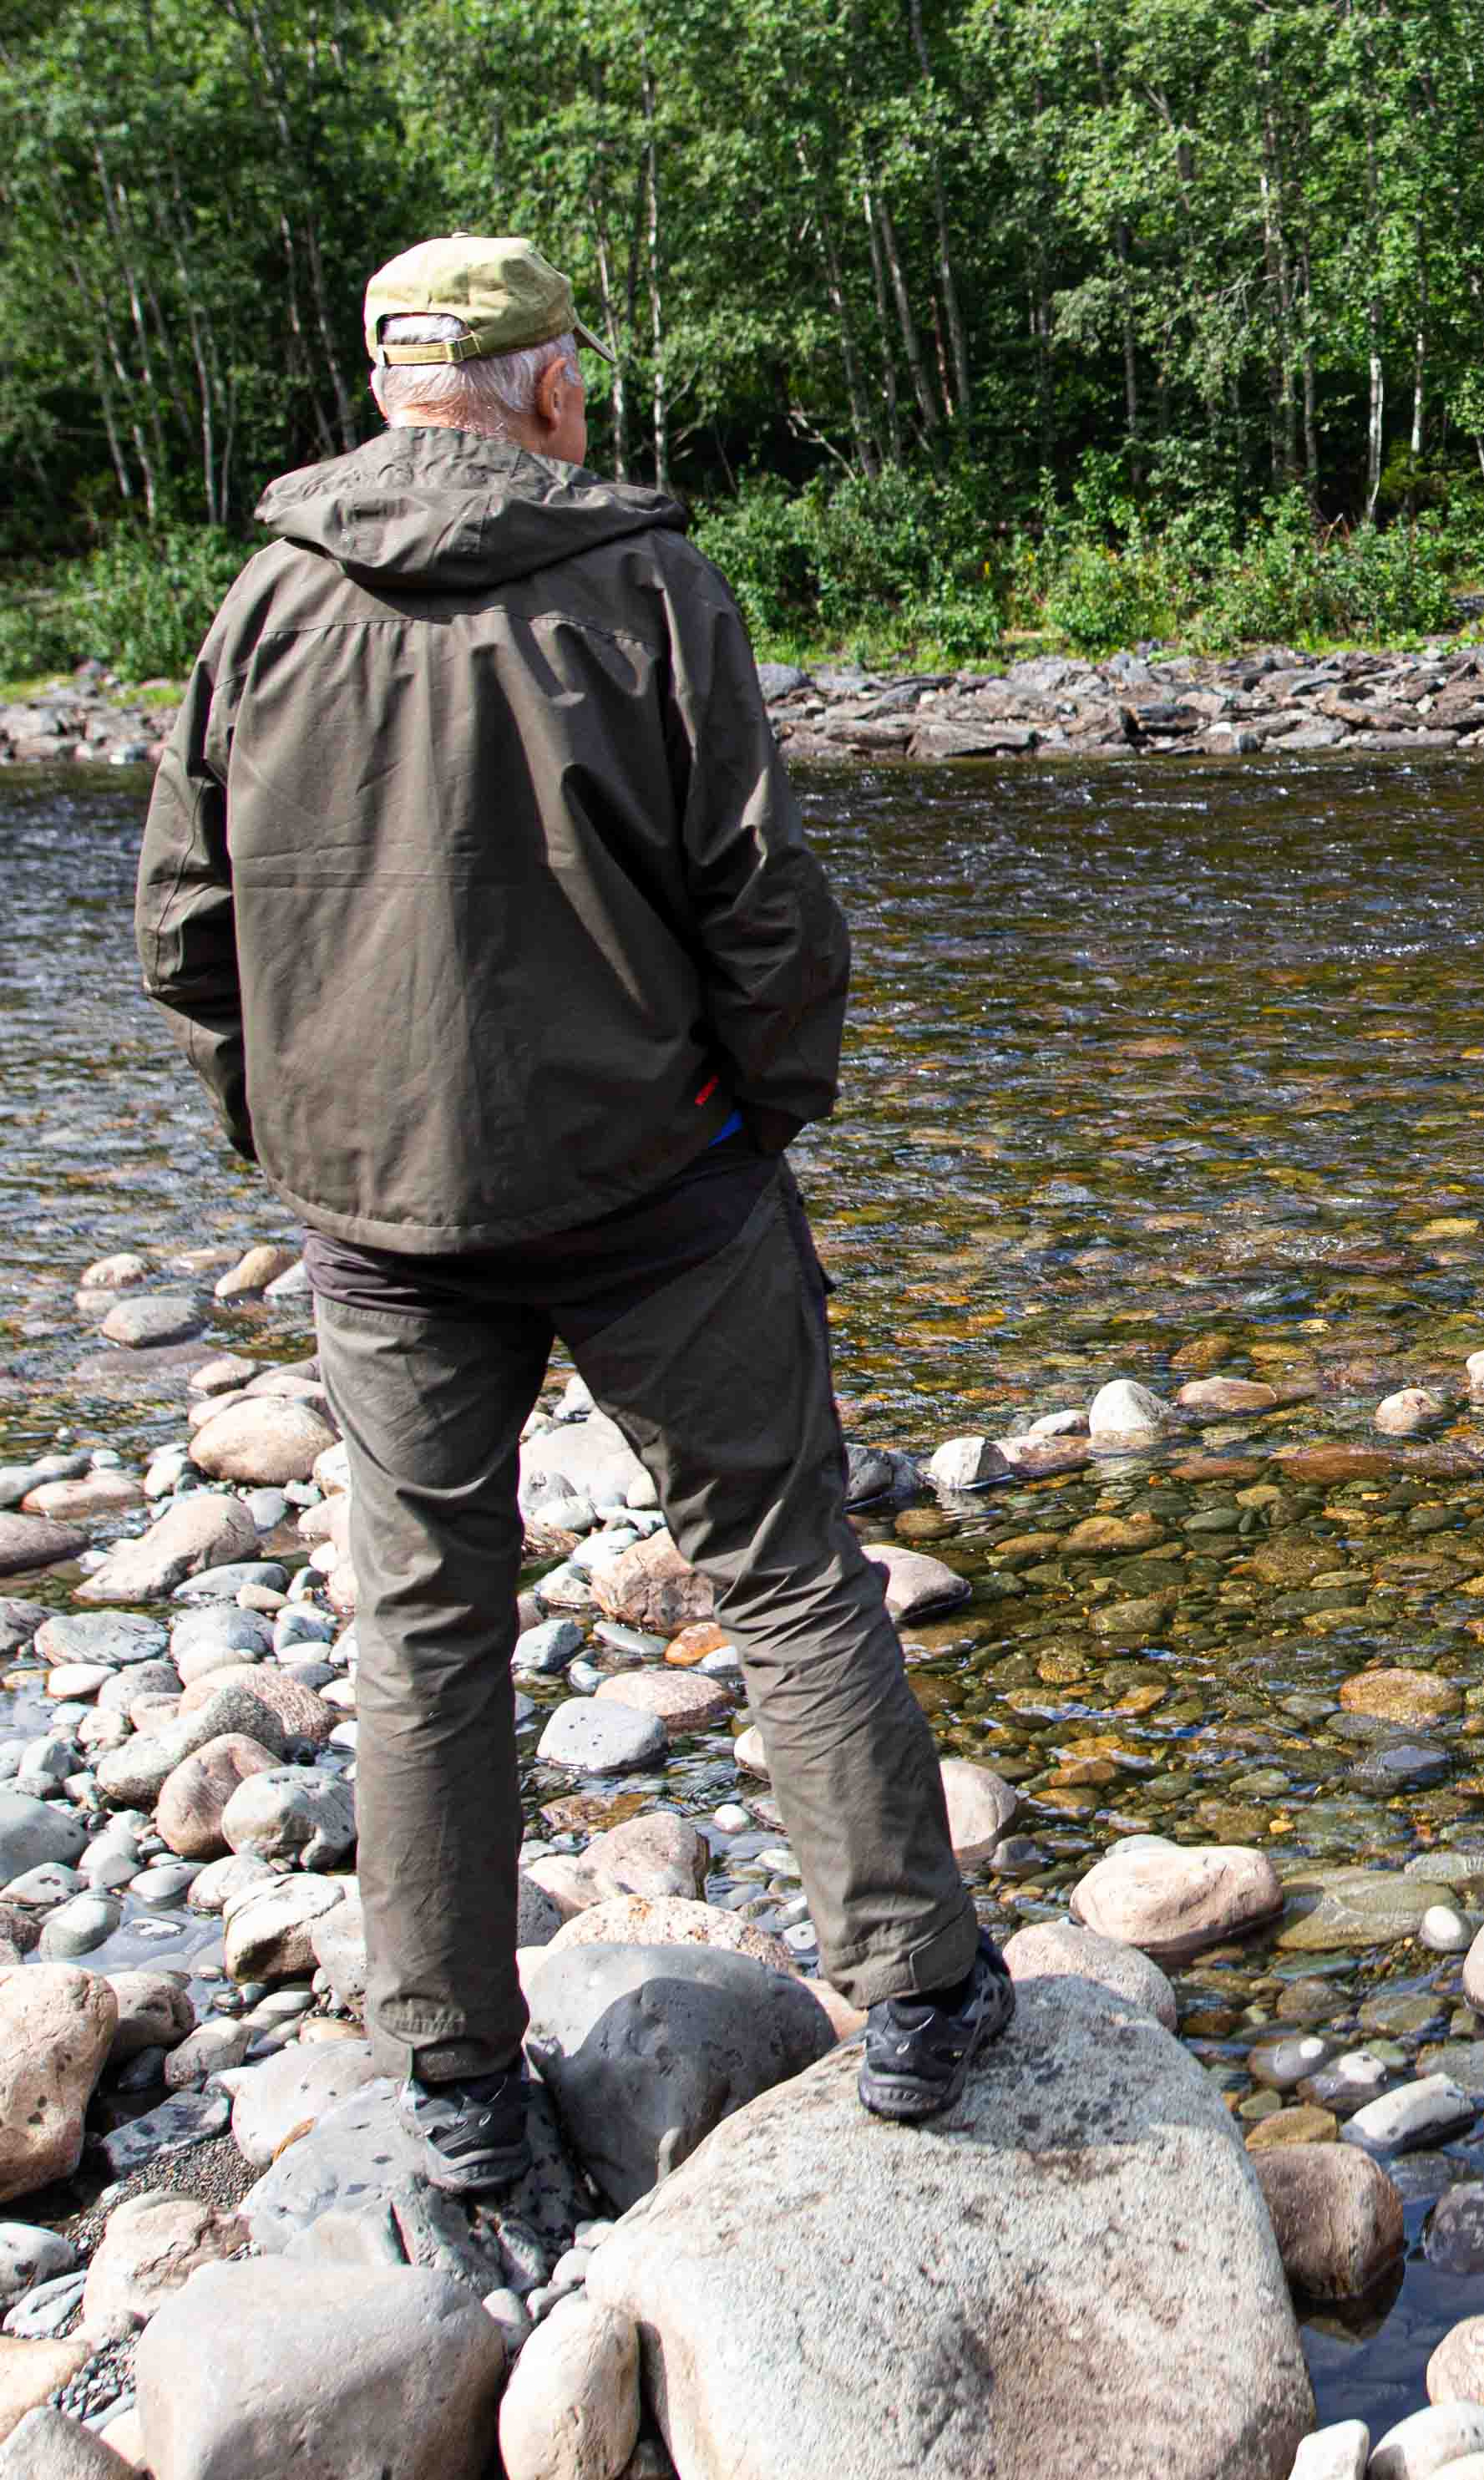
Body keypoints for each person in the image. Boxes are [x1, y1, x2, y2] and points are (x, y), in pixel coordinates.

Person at [134, 236, 1008, 2193]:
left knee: (428, 1618)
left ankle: (454, 2078)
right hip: (656, 1185)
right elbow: (760, 901)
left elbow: (185, 932)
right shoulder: (643, 585)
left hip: (380, 1213)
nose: (584, 389)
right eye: (573, 363)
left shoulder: (266, 603)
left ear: (389, 386)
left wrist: (291, 1137)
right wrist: (768, 1111)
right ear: (535, 384)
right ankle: (922, 2001)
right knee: (785, 1568)